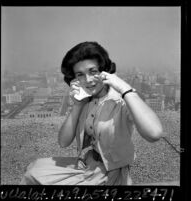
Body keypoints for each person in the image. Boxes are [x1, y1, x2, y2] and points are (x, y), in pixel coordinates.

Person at [20, 41, 163, 185]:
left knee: (35, 178)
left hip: (110, 174)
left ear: (104, 71)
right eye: (80, 75)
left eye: (93, 71)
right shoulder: (87, 100)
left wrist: (124, 88)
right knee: (34, 169)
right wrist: (77, 105)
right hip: (88, 165)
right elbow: (63, 142)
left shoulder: (120, 101)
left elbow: (154, 133)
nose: (88, 80)